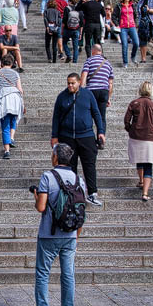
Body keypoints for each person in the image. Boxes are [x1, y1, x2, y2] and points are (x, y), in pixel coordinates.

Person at [24, 143, 84, 306]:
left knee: (43, 273)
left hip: (49, 234)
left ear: (55, 157)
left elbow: (41, 207)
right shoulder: (78, 179)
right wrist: (76, 235)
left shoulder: (48, 177)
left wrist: (36, 197)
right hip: (71, 234)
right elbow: (82, 208)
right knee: (68, 275)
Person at [51, 73, 106, 207]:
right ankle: (72, 194)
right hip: (67, 136)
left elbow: (96, 114)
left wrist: (101, 131)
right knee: (70, 167)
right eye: (68, 83)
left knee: (89, 165)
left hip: (86, 136)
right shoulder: (62, 97)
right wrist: (54, 136)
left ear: (79, 82)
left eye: (73, 83)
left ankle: (92, 193)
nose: (70, 86)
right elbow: (56, 117)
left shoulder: (88, 95)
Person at [124, 81, 153, 201]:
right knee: (148, 165)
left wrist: (130, 129)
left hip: (136, 136)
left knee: (139, 160)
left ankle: (140, 181)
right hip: (150, 137)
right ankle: (145, 193)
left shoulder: (134, 103)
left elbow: (126, 120)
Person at [0, 56, 24, 159]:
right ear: (12, 63)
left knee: (5, 125)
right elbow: (20, 90)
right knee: (13, 118)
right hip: (15, 98)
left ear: (2, 62)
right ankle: (12, 137)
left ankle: (7, 151)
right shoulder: (15, 74)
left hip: (4, 99)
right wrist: (23, 103)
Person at [80, 45, 114, 132]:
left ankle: (89, 137)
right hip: (104, 91)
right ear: (101, 51)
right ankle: (101, 139)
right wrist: (109, 98)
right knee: (102, 117)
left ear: (93, 51)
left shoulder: (89, 60)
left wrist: (80, 90)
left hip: (91, 91)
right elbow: (110, 83)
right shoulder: (108, 63)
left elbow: (84, 75)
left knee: (88, 115)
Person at [116, 0, 140, 68]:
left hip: (132, 26)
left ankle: (133, 56)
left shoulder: (133, 5)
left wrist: (136, 23)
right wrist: (117, 24)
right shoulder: (119, 6)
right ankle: (125, 62)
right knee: (125, 45)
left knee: (136, 43)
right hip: (123, 27)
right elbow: (114, 16)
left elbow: (136, 15)